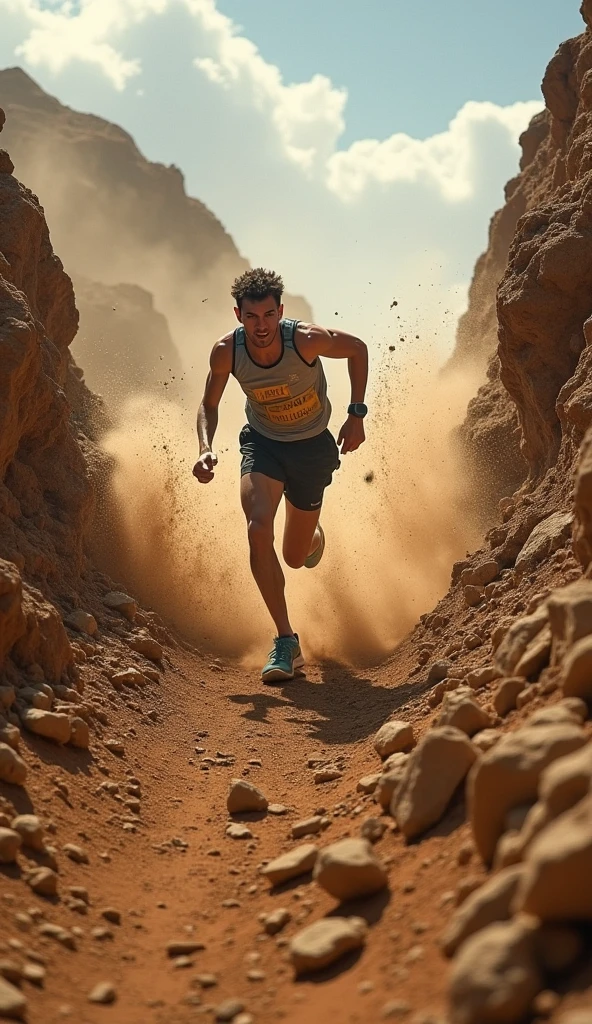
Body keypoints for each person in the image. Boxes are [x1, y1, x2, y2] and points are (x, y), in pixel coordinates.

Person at [193, 268, 368, 683]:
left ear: (280, 312)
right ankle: (286, 641)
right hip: (263, 443)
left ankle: (312, 535)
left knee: (295, 556)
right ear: (238, 315)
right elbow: (209, 404)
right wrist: (205, 448)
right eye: (252, 317)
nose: (261, 326)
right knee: (257, 528)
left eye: (269, 315)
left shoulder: (305, 339)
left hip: (311, 448)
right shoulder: (226, 352)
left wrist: (356, 414)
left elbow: (358, 349)